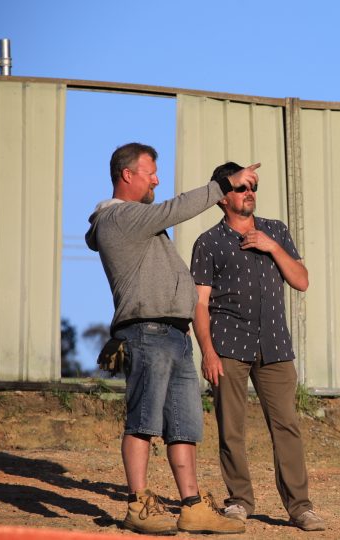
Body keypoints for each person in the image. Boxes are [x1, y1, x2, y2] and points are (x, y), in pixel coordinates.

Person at [86, 143, 259, 536]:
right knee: (143, 422)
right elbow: (174, 208)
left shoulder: (137, 219)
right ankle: (139, 503)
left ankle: (192, 506)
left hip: (175, 335)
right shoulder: (119, 217)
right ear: (127, 175)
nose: (157, 179)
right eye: (150, 172)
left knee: (184, 427)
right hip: (147, 331)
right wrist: (223, 184)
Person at [190, 162, 325, 532]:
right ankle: (238, 501)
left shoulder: (276, 230)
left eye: (253, 188)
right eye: (241, 188)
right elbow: (199, 303)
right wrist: (208, 351)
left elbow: (301, 280)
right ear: (222, 197)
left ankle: (301, 507)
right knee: (231, 427)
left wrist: (273, 247)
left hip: (276, 346)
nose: (249, 193)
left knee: (287, 426)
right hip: (229, 346)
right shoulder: (208, 243)